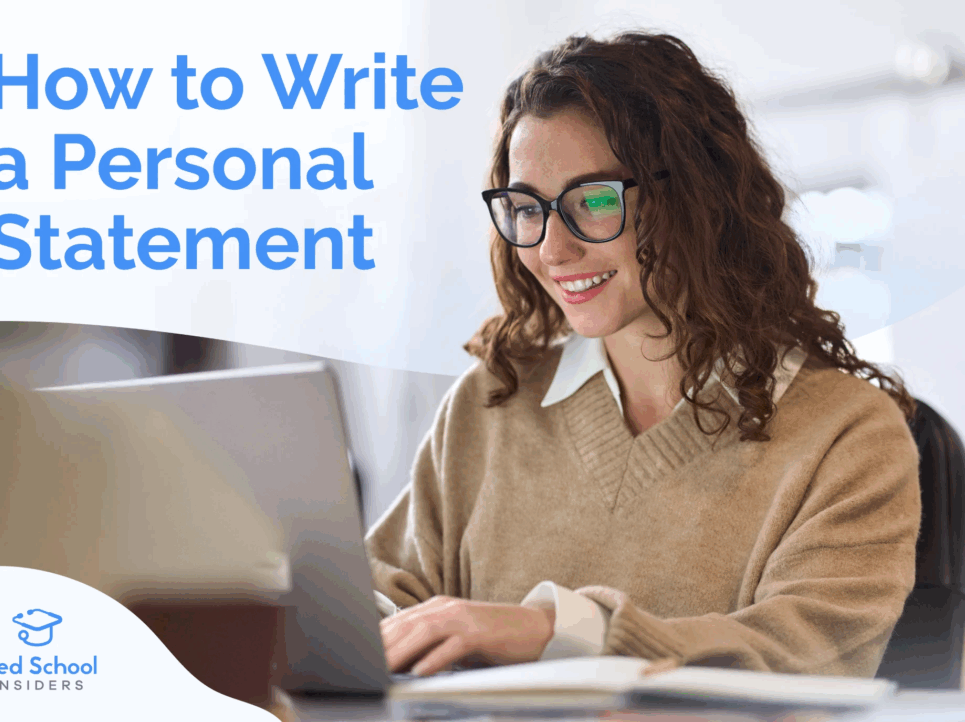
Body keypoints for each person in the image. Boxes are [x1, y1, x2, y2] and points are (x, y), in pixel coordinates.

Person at [365, 31, 921, 679]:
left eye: (595, 201)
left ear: (697, 200)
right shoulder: (489, 404)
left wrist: (556, 632)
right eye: (526, 208)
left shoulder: (848, 433)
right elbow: (382, 603)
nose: (551, 251)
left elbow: (804, 653)